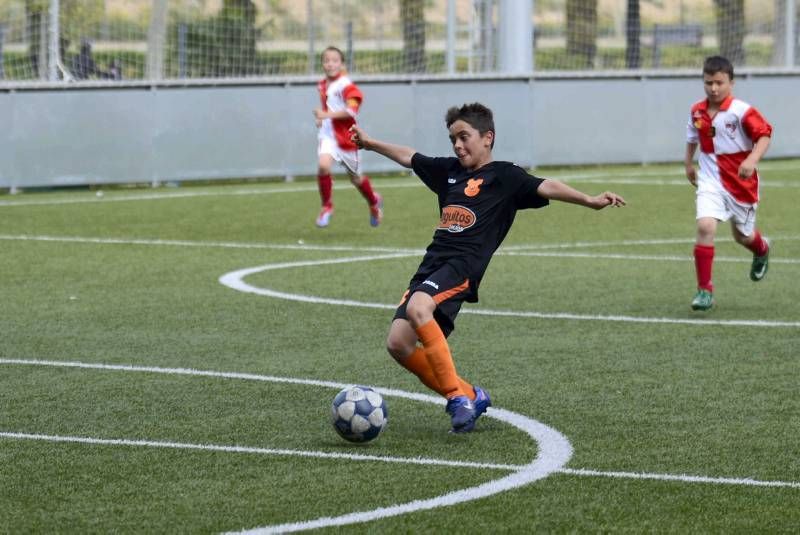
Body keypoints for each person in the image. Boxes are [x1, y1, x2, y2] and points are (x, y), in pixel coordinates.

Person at [350, 103, 626, 433]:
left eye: (464, 137)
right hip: (432, 265)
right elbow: (411, 157)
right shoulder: (449, 171)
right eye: (453, 138)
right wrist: (370, 143)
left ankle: (455, 398)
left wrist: (590, 200)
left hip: (462, 267)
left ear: (487, 138)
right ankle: (471, 395)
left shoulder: (505, 177)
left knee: (418, 307)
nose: (457, 145)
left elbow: (547, 185)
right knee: (398, 343)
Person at [684, 56, 772, 311]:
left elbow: (764, 134)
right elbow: (692, 136)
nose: (713, 88)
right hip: (710, 180)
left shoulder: (741, 110)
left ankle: (762, 249)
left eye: (719, 83)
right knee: (705, 226)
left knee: (742, 236)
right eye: (708, 82)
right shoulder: (697, 110)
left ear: (731, 83)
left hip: (741, 184)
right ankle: (704, 291)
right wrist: (689, 164)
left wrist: (752, 159)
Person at [312, 46, 382, 228]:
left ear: (341, 64)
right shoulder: (322, 84)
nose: (330, 64)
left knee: (356, 179)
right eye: (326, 60)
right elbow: (329, 107)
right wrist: (323, 120)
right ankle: (327, 206)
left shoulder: (346, 85)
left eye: (335, 60)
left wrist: (326, 116)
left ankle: (374, 202)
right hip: (328, 136)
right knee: (323, 165)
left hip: (346, 138)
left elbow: (351, 110)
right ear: (322, 64)